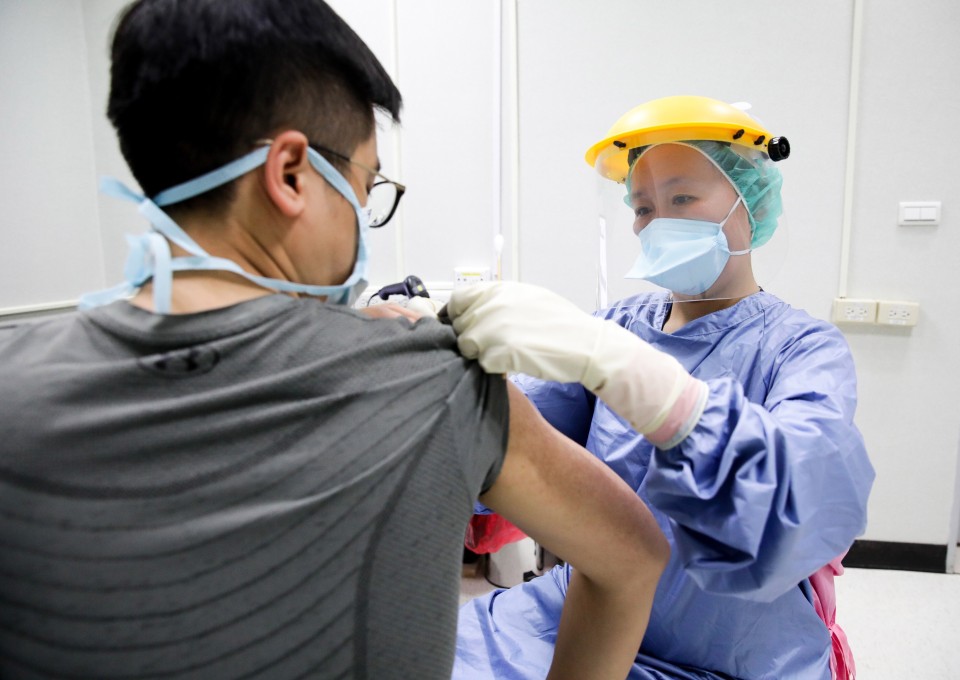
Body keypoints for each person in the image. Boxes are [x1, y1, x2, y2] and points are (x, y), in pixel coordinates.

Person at [0, 3, 670, 678]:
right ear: (291, 174)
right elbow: (635, 558)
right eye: (367, 184)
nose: (365, 216)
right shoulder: (430, 385)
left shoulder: (14, 384)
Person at [448, 96, 876, 680]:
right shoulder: (619, 327)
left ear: (750, 204)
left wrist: (656, 390)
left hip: (728, 652)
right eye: (643, 206)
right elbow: (507, 439)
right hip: (572, 618)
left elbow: (803, 498)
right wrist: (433, 372)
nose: (655, 221)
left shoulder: (802, 348)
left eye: (681, 198)